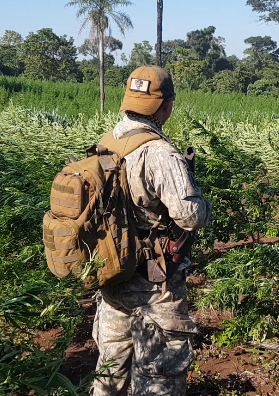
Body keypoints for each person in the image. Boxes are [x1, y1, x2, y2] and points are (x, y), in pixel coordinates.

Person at [92, 65, 212, 396]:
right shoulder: (159, 152)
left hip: (111, 276)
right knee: (158, 376)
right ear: (166, 105)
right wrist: (204, 203)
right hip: (153, 285)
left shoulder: (108, 141)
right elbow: (190, 216)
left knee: (109, 372)